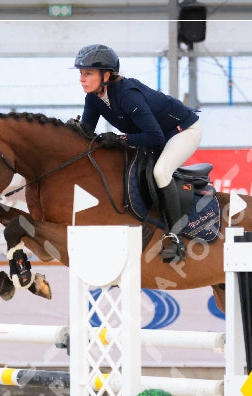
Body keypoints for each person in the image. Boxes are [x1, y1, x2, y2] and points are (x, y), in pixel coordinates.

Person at [74, 43, 202, 262]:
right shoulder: (93, 98)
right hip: (154, 136)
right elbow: (86, 132)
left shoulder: (128, 95)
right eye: (81, 74)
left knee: (161, 172)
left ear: (105, 75)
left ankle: (175, 236)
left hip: (181, 132)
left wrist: (119, 139)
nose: (81, 79)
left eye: (87, 73)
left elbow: (155, 137)